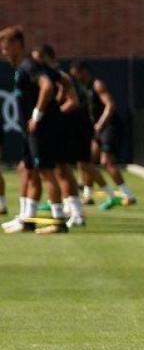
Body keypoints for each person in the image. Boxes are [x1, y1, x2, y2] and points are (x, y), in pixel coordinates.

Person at [0, 27, 83, 234]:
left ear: (18, 44)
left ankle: (58, 222)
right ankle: (27, 220)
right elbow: (62, 80)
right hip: (31, 130)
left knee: (47, 172)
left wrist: (39, 114)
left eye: (6, 44)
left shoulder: (29, 66)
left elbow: (47, 86)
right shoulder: (25, 67)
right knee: (28, 171)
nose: (3, 50)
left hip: (41, 129)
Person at [32, 45, 88, 227]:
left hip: (64, 128)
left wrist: (53, 114)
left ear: (46, 58)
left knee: (61, 169)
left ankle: (77, 212)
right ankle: (71, 208)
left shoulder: (59, 76)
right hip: (56, 127)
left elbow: (73, 101)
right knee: (59, 169)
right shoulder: (46, 76)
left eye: (38, 58)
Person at [69, 60, 136, 210]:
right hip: (98, 129)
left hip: (109, 127)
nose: (76, 78)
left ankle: (128, 195)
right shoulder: (83, 88)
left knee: (106, 162)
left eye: (77, 74)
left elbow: (110, 105)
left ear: (83, 71)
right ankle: (87, 195)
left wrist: (100, 124)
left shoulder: (97, 85)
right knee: (86, 161)